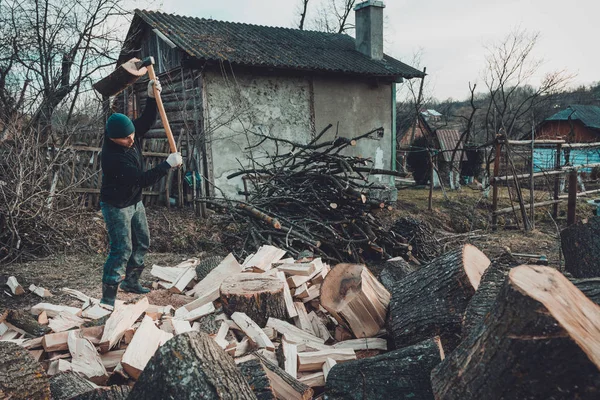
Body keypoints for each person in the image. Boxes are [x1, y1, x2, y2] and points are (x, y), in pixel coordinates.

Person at [99, 78, 182, 308]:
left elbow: (146, 121)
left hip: (135, 202)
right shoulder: (113, 157)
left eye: (131, 135)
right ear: (113, 137)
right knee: (121, 249)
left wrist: (151, 96)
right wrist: (167, 164)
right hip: (116, 206)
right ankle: (107, 299)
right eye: (126, 138)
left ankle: (132, 282)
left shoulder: (129, 134)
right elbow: (141, 180)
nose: (131, 140)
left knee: (142, 241)